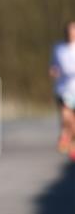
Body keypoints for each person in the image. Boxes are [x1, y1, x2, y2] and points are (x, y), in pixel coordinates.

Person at [49, 20, 75, 161]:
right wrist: (53, 71)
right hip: (63, 90)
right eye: (69, 31)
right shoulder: (58, 48)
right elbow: (53, 66)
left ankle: (71, 143)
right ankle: (65, 136)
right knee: (66, 117)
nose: (71, 34)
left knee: (73, 122)